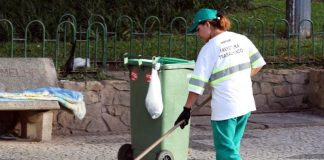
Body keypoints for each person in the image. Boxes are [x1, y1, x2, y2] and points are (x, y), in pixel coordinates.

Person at [174, 8, 266, 160]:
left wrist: (186, 109)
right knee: (232, 148)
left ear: (208, 24)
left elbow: (197, 84)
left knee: (226, 154)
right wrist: (239, 77)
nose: (198, 35)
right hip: (245, 104)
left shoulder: (209, 48)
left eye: (198, 29)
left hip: (226, 108)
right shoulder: (241, 39)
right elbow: (258, 63)